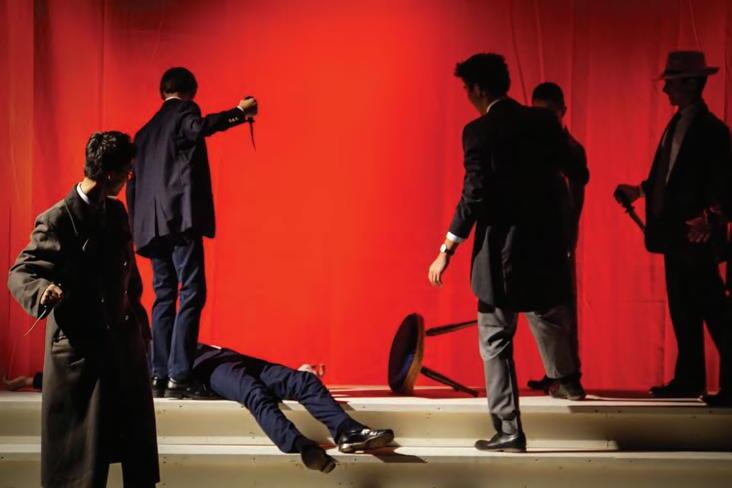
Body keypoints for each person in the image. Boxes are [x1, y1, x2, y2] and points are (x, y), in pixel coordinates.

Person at [428, 53, 586, 452]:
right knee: (548, 314)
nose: (467, 96)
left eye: (467, 89)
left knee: (495, 338)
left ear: (479, 89)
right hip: (545, 247)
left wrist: (447, 247)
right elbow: (578, 171)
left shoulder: (478, 132)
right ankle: (567, 380)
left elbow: (474, 194)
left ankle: (509, 430)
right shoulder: (544, 122)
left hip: (500, 253)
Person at [7, 132, 159, 487]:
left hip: (121, 350)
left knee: (135, 458)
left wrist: (139, 324)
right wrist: (42, 292)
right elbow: (20, 272)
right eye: (127, 172)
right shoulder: (57, 219)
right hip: (81, 356)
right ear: (109, 175)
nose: (129, 179)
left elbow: (130, 277)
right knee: (80, 470)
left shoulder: (116, 212)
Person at [127, 67, 258, 399]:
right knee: (192, 292)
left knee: (163, 297)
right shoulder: (184, 111)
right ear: (191, 91)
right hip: (179, 222)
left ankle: (158, 376)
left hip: (150, 228)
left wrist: (136, 228)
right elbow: (198, 128)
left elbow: (133, 186)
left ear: (162, 91)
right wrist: (239, 113)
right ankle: (180, 375)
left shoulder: (143, 134)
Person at [615, 51, 731, 407]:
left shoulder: (712, 131)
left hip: (697, 235)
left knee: (714, 308)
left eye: (672, 83)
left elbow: (724, 182)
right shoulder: (677, 124)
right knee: (683, 307)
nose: (666, 90)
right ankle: (689, 377)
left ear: (691, 83)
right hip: (675, 235)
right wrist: (639, 190)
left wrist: (712, 218)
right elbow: (669, 177)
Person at [186, 343, 395, 472]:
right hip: (206, 366)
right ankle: (302, 445)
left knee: (303, 380)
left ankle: (348, 431)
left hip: (230, 357)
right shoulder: (167, 344)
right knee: (256, 394)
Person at [527, 82, 590, 396]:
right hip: (536, 235)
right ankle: (555, 371)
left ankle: (569, 373)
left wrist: (569, 239)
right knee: (544, 307)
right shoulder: (531, 145)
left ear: (562, 112)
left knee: (562, 308)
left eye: (549, 113)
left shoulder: (570, 148)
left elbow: (575, 199)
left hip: (559, 237)